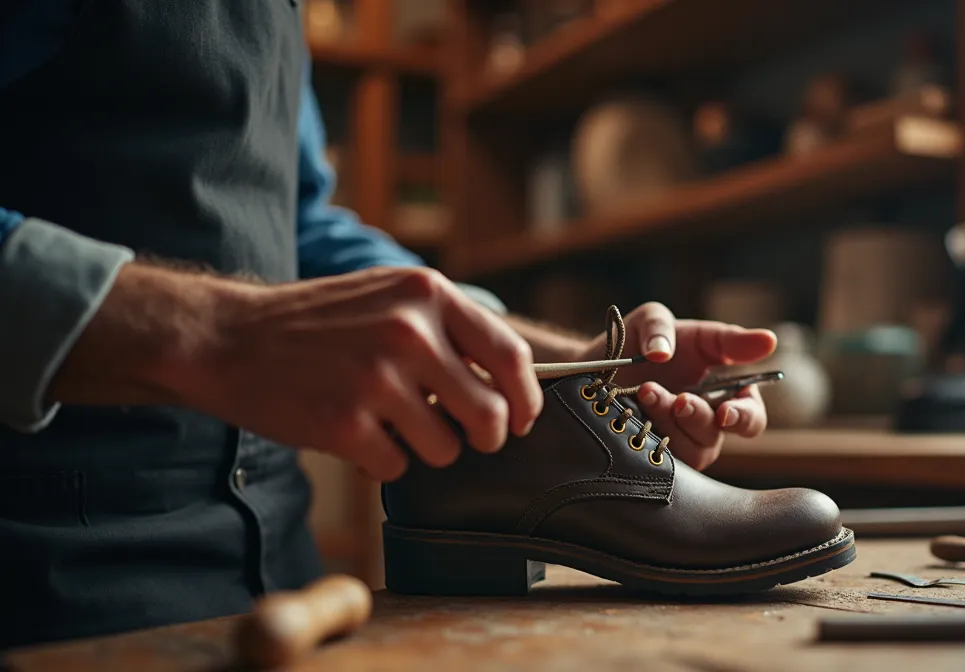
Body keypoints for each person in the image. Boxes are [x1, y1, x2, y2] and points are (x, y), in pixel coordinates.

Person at [0, 1, 776, 648]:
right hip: (55, 583)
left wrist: (571, 363)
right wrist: (212, 331)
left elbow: (290, 224)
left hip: (292, 578)